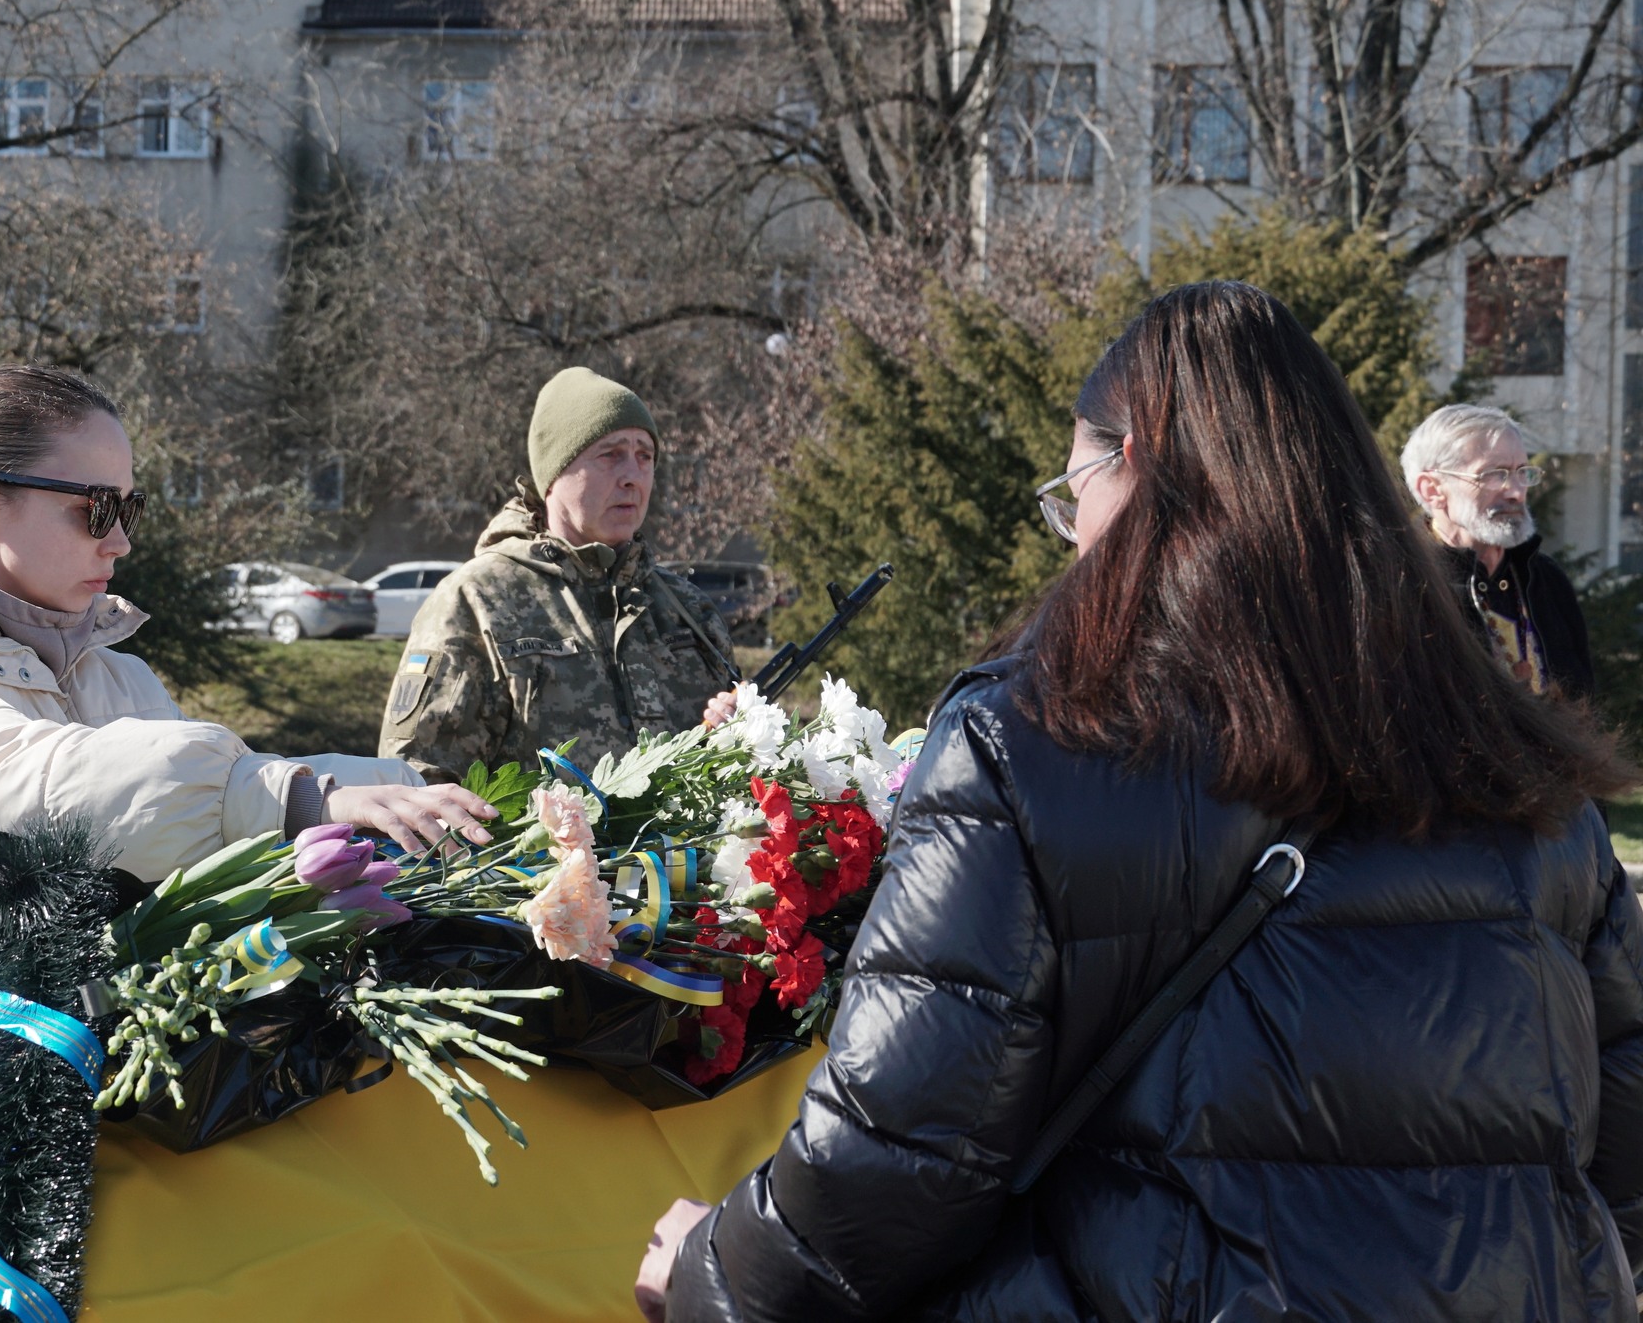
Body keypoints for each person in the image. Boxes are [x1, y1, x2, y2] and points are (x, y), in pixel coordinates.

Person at [636, 283, 1643, 1322]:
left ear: (1139, 470)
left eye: (1074, 488)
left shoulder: (1037, 733)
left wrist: (714, 1269)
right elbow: (1623, 1138)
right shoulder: (1509, 753)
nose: (1072, 534)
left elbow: (903, 1146)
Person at [0, 366, 496, 1133]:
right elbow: (10, 795)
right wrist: (298, 798)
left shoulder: (108, 672)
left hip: (49, 1043)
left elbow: (216, 801)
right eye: (94, 509)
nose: (121, 539)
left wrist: (403, 797)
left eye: (129, 506)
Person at [380, 366, 740, 783]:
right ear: (554, 474)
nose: (632, 476)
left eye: (645, 456)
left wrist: (738, 733)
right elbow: (416, 783)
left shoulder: (687, 609)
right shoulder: (476, 601)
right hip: (534, 849)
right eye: (611, 454)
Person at [1402, 402, 1593, 697]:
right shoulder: (1400, 585)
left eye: (1522, 472)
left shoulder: (1546, 579)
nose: (1516, 492)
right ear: (1432, 489)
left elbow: (1585, 704)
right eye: (1494, 474)